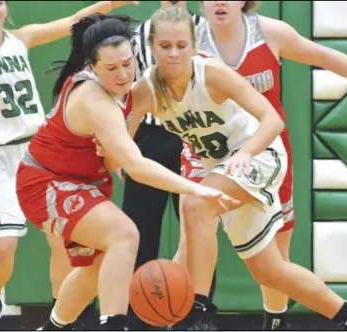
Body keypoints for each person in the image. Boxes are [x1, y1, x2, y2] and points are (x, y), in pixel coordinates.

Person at [95, 6, 347, 331]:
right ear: (152, 48)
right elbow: (118, 157)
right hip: (217, 165)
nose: (173, 54)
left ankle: (198, 308)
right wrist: (109, 147)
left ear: (193, 45)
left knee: (195, 204)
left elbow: (271, 119)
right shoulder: (145, 91)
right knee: (269, 271)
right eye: (165, 47)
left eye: (181, 46)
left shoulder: (212, 72)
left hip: (259, 152)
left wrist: (245, 155)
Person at [15, 13, 237, 331]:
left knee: (97, 268)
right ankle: (115, 325)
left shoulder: (128, 88)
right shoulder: (94, 100)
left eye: (127, 63)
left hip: (83, 182)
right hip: (47, 182)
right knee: (125, 234)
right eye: (111, 68)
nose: (122, 74)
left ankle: (52, 328)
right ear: (92, 66)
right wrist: (197, 188)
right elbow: (135, 166)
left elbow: (116, 160)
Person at [0, 1, 139, 330]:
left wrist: (113, 3)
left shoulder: (20, 39)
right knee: (4, 248)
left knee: (64, 244)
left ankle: (63, 319)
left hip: (36, 149)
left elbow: (72, 21)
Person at [122, 1, 217, 330]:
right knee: (139, 231)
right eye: (166, 45)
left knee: (199, 230)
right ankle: (138, 316)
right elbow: (127, 91)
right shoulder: (137, 34)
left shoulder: (206, 29)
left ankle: (198, 314)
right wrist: (124, 145)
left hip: (194, 135)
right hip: (148, 138)